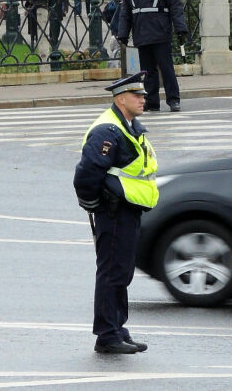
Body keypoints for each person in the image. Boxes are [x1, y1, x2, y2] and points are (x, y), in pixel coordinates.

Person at [73, 71, 159, 355]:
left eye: (143, 95)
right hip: (113, 209)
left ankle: (118, 328)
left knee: (121, 272)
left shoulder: (128, 125)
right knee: (112, 272)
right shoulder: (107, 131)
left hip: (128, 209)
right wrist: (92, 203)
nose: (142, 99)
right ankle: (107, 335)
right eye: (137, 95)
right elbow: (86, 173)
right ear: (121, 99)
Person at [117, 0, 187, 112]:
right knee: (147, 71)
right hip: (141, 32)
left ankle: (173, 99)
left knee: (166, 67)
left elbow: (175, 6)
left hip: (160, 31)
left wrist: (180, 28)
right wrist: (123, 33)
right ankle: (152, 101)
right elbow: (126, 11)